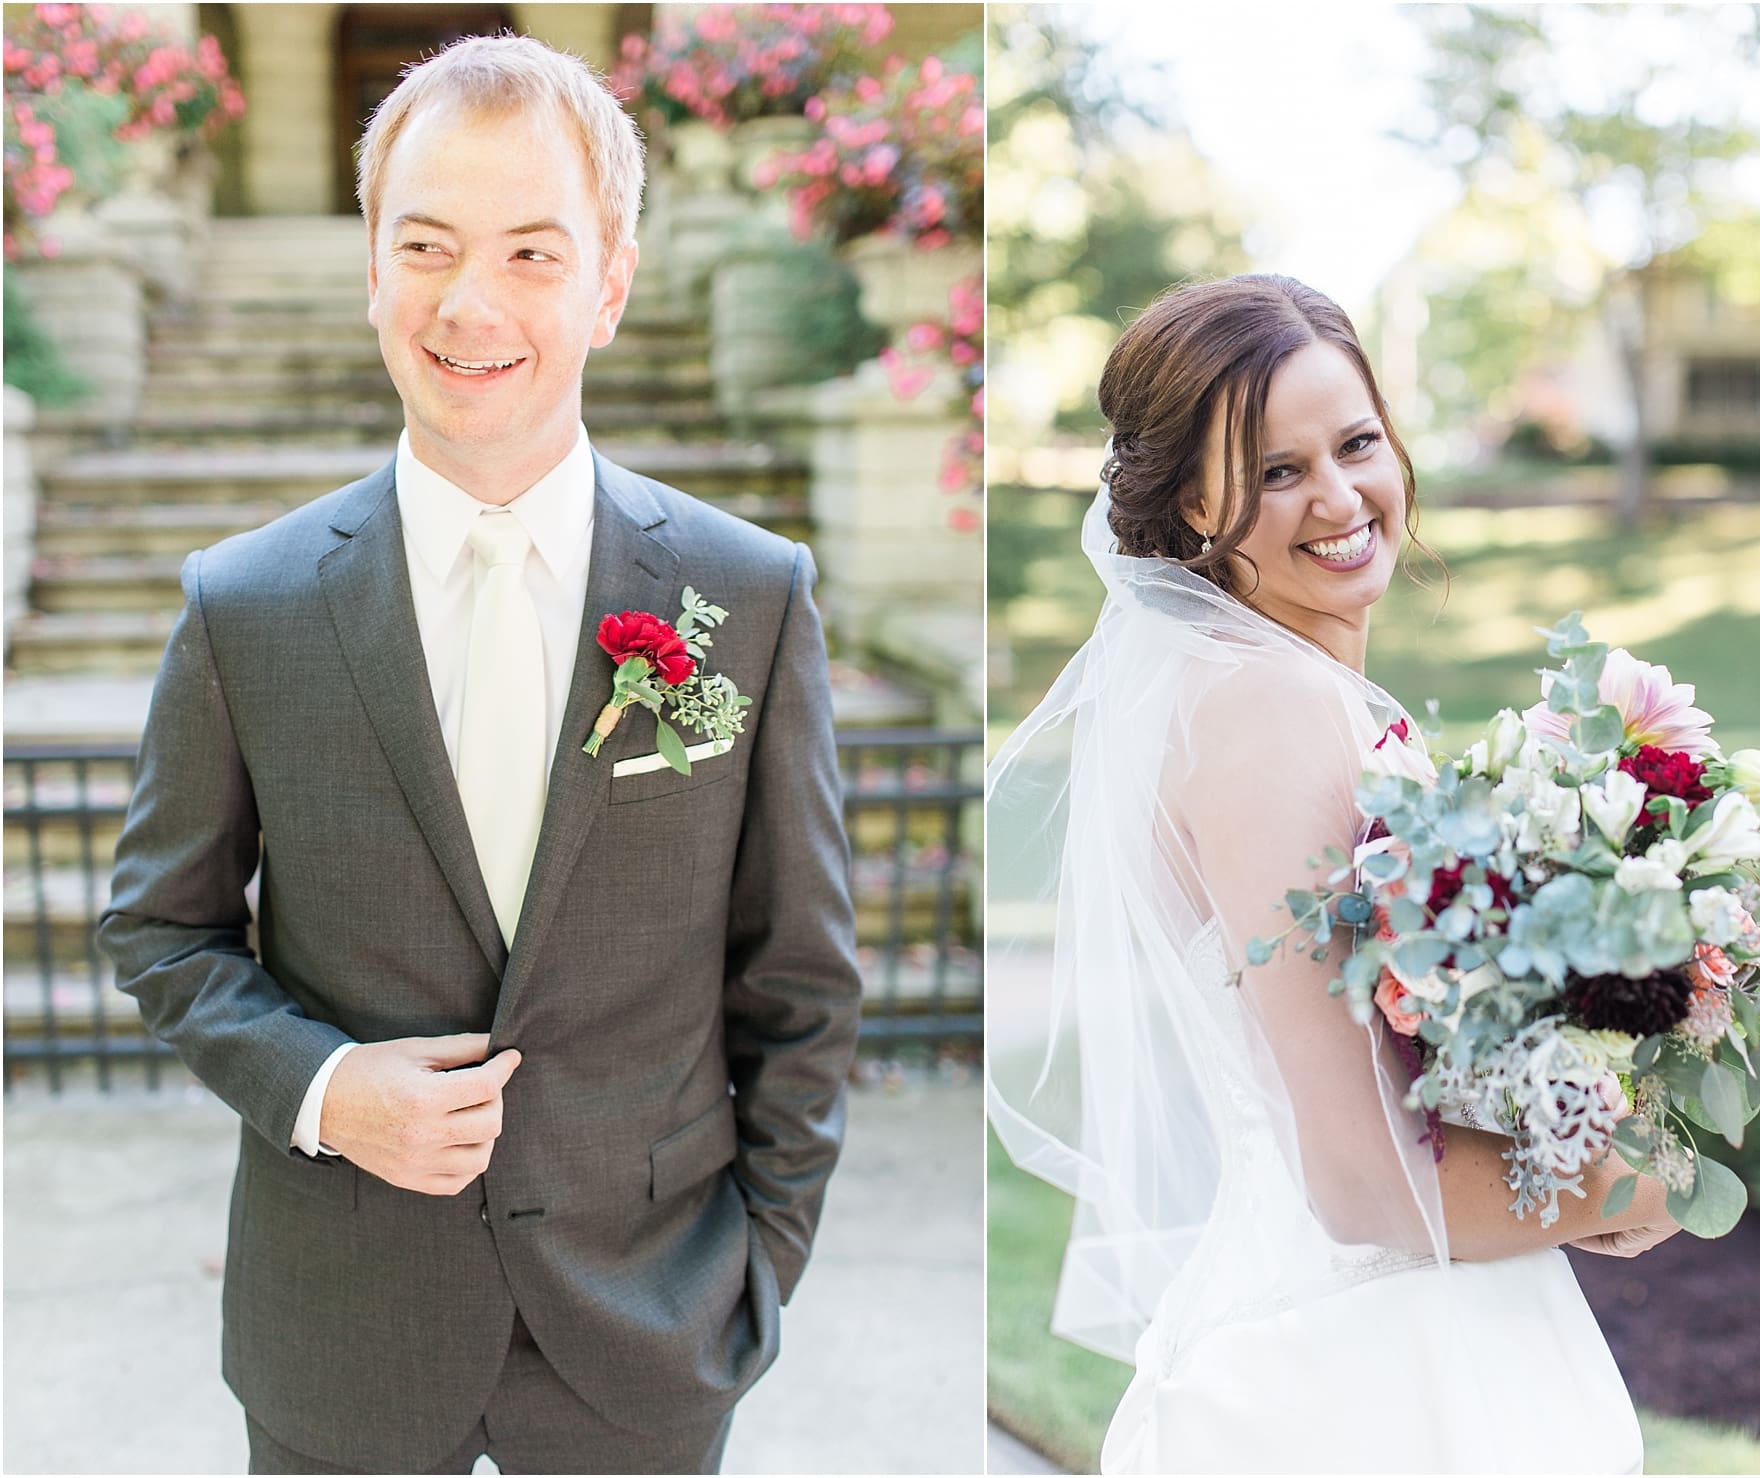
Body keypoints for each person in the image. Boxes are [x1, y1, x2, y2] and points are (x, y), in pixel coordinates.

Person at [101, 34, 861, 1476]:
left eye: (531, 251)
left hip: (648, 1324)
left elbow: (800, 976)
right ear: (370, 270)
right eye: (427, 245)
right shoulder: (244, 604)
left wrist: (754, 1270)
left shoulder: (744, 595)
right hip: (344, 1330)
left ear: (610, 285)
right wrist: (324, 1090)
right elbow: (161, 926)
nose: (471, 301)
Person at [986, 274, 1678, 1474]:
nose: (1340, 496)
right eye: (1275, 471)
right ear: (1191, 506)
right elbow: (1361, 1182)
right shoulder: (1270, 712)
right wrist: (1636, 1185)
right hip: (1361, 1376)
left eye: (1355, 443)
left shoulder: (1273, 693)